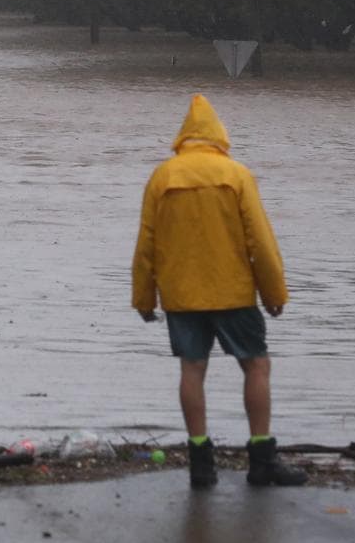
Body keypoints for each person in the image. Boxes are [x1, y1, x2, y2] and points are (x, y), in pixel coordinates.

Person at [131, 94, 307, 489]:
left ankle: (200, 463)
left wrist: (144, 297)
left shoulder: (163, 177)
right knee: (256, 366)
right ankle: (261, 458)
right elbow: (259, 240)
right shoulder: (236, 174)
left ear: (183, 136)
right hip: (233, 293)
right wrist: (274, 292)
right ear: (219, 135)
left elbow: (147, 242)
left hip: (181, 296)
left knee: (192, 370)